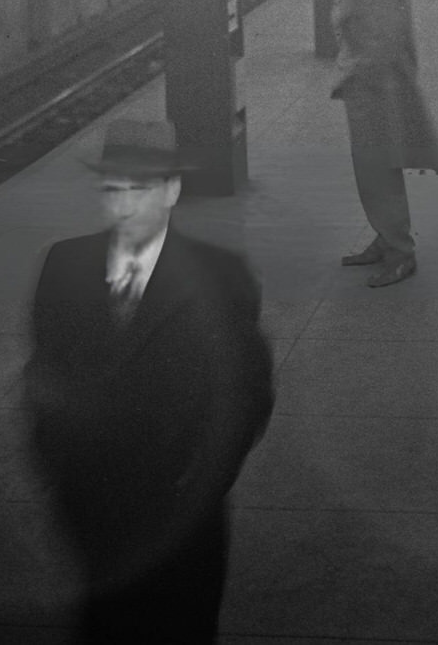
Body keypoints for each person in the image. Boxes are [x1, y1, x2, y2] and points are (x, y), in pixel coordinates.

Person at [24, 118, 274, 643]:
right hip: (94, 506)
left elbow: (247, 394)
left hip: (183, 513)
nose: (124, 206)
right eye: (113, 190)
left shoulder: (221, 276)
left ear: (171, 190)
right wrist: (59, 469)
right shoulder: (64, 266)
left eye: (139, 190)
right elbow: (45, 375)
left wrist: (202, 485)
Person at [330, 0, 438, 287]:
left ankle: (400, 252)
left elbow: (382, 35)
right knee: (376, 167)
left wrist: (354, 72)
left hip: (375, 86)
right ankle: (386, 238)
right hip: (375, 82)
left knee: (378, 168)